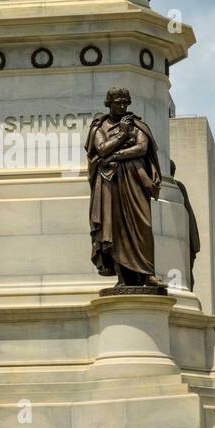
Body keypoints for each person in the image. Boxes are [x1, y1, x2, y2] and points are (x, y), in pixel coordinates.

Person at [85, 86, 164, 288]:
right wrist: (122, 135)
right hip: (110, 182)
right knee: (115, 227)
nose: (121, 106)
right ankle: (123, 278)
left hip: (136, 179)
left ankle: (148, 273)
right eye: (117, 102)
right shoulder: (99, 127)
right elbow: (101, 149)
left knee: (143, 224)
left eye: (124, 102)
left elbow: (142, 147)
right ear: (109, 103)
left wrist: (116, 154)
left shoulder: (138, 125)